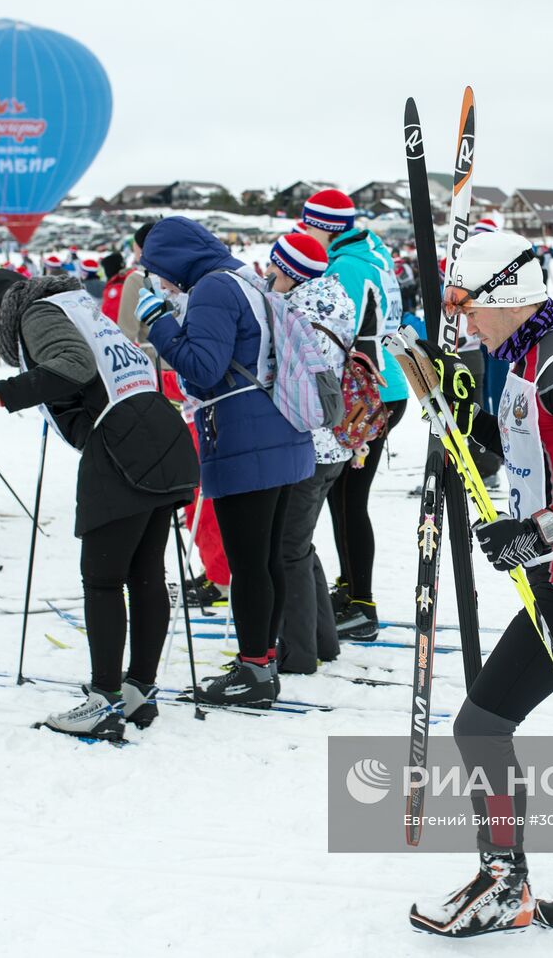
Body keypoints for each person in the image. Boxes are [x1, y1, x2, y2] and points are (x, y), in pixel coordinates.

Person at [411, 230, 553, 938]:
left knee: (480, 724)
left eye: (465, 302)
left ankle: (504, 880)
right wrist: (453, 408)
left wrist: (537, 529)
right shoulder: (519, 356)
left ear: (506, 294)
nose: (462, 317)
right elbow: (525, 443)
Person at [0, 270, 198, 741]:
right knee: (146, 572)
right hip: (159, 434)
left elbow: (74, 365)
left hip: (122, 447)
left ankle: (104, 700)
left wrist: (2, 393)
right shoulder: (79, 305)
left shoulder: (34, 312)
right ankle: (139, 690)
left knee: (103, 578)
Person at [139, 216, 314, 707]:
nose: (161, 280)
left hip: (245, 435)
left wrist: (160, 325)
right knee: (267, 556)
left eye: (159, 269)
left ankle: (254, 670)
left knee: (248, 563)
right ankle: (264, 659)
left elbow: (201, 370)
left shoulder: (213, 288)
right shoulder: (245, 277)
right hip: (280, 428)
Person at [298, 189, 410, 639]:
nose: (306, 233)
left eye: (309, 225)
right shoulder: (373, 254)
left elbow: (339, 332)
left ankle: (361, 604)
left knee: (347, 500)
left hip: (368, 393)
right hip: (384, 387)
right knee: (343, 498)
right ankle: (350, 590)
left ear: (325, 226)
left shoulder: (344, 266)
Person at [262, 233, 357, 675]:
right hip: (336, 441)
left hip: (309, 443)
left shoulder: (294, 312)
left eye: (274, 268)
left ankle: (298, 653)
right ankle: (323, 640)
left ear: (293, 271)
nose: (268, 275)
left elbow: (276, 371)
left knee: (288, 549)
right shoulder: (335, 299)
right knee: (299, 544)